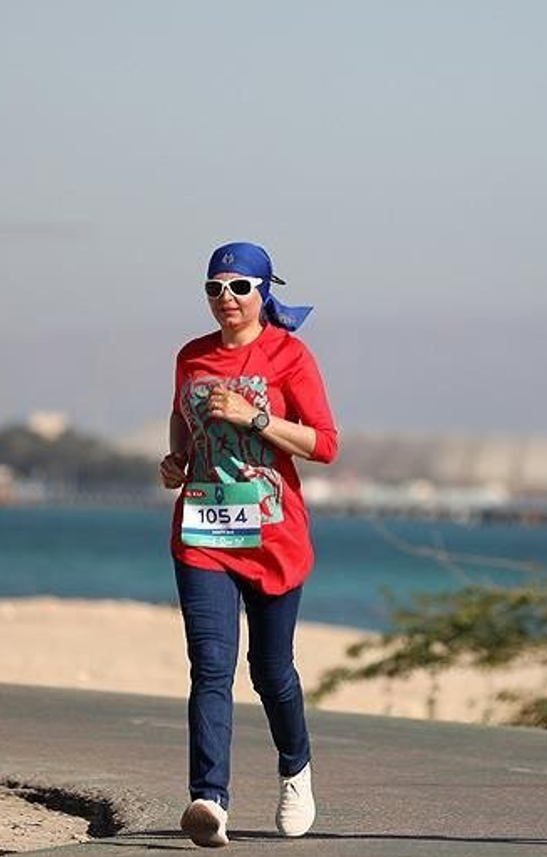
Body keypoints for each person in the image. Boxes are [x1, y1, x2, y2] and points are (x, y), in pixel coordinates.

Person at [159, 241, 339, 848]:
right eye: (214, 288)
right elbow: (182, 417)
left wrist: (253, 417)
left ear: (264, 292)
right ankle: (209, 799)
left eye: (239, 288)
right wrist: (178, 457)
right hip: (204, 532)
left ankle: (296, 768)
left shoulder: (290, 355)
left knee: (271, 672)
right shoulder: (191, 356)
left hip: (272, 534)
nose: (225, 300)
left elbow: (325, 445)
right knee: (210, 668)